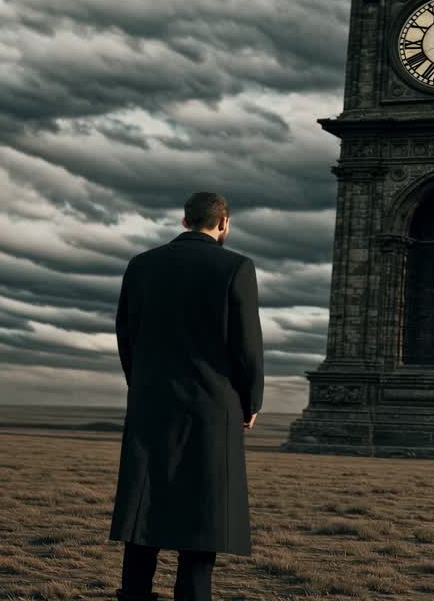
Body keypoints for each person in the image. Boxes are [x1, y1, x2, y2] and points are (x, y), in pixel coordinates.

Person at [108, 191, 265, 601]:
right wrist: (251, 403)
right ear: (224, 223)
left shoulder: (141, 265)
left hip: (151, 404)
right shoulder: (237, 267)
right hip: (213, 409)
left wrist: (141, 385)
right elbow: (247, 347)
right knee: (202, 519)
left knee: (145, 512)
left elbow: (126, 336)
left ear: (184, 221)